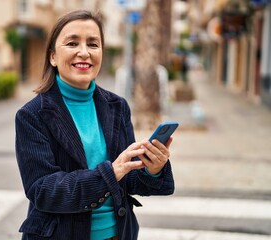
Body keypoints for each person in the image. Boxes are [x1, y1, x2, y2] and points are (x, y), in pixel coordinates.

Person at [15, 10, 175, 240]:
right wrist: (111, 171)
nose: (84, 52)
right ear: (52, 56)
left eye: (93, 44)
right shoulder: (32, 115)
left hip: (118, 234)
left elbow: (126, 177)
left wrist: (153, 169)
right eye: (72, 43)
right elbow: (43, 190)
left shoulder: (117, 106)